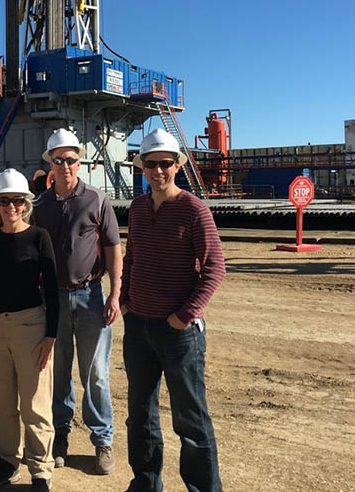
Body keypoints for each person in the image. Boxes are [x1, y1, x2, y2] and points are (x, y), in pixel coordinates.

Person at [121, 128, 226, 492]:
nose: (158, 171)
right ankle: (146, 484)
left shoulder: (193, 209)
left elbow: (215, 268)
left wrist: (186, 314)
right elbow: (131, 256)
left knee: (190, 420)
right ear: (143, 168)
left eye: (165, 163)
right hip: (138, 327)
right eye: (151, 164)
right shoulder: (136, 207)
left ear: (177, 166)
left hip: (178, 334)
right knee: (140, 416)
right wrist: (123, 298)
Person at [32, 128, 122, 475]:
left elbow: (114, 248)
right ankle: (61, 436)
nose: (66, 165)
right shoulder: (39, 207)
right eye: (59, 160)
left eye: (71, 159)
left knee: (96, 374)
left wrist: (115, 293)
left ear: (79, 161)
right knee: (57, 375)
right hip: (52, 299)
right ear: (51, 164)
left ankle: (103, 440)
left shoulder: (96, 200)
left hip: (90, 298)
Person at [0, 168, 59, 492]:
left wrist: (51, 336)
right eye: (5, 200)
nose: (11, 207)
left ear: (26, 204)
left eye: (17, 201)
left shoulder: (39, 238)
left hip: (30, 326)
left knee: (35, 402)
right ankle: (7, 462)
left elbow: (52, 288)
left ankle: (40, 471)